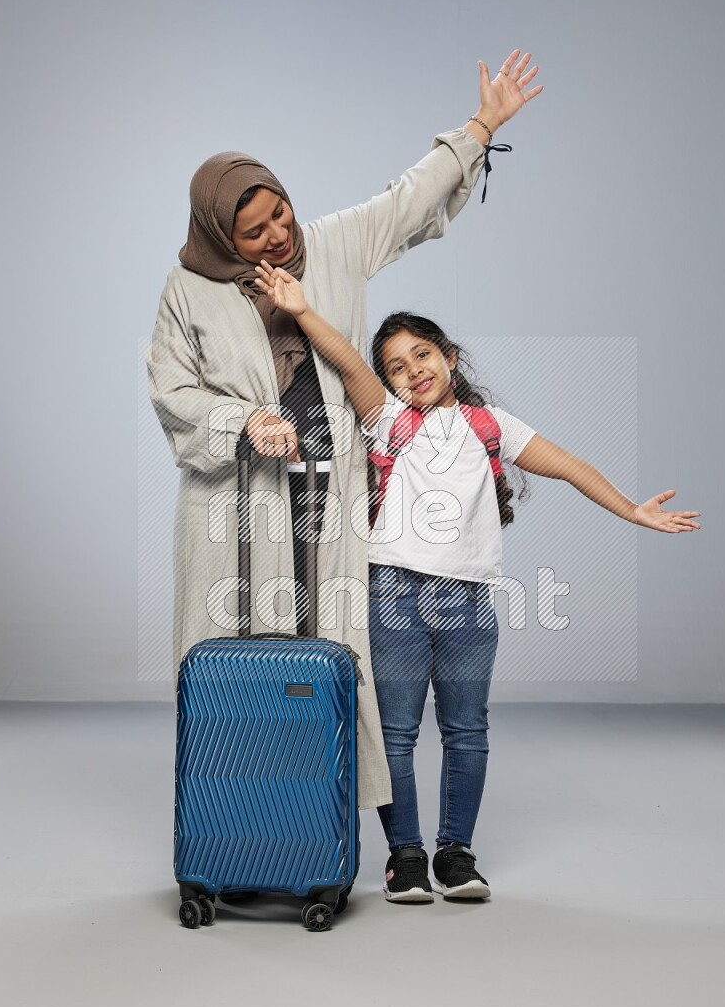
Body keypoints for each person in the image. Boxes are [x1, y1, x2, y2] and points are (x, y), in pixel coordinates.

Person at [147, 46, 543, 811]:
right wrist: (245, 418)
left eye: (279, 213)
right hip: (236, 506)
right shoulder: (186, 292)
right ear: (223, 236)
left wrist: (480, 127)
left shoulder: (332, 244)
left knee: (327, 658)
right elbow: (171, 391)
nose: (277, 235)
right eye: (254, 230)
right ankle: (236, 819)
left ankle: (313, 827)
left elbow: (406, 199)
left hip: (332, 502)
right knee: (234, 657)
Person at [251, 260, 702, 902]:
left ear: (451, 356)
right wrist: (299, 308)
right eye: (399, 367)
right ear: (389, 384)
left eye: (423, 354)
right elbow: (347, 360)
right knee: (397, 733)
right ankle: (405, 857)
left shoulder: (493, 427)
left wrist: (632, 508)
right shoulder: (386, 421)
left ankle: (455, 855)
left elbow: (570, 465)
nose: (414, 372)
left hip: (469, 601)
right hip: (393, 595)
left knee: (467, 730)